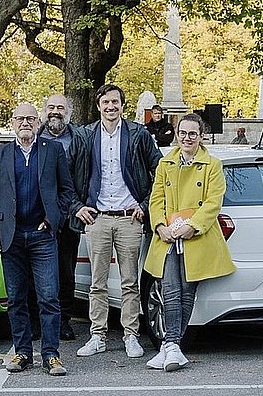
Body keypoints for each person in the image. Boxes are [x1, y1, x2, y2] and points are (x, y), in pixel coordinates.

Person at [0, 102, 77, 376]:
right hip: (10, 236)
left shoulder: (53, 150)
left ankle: (51, 355)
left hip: (42, 236)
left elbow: (66, 190)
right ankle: (23, 352)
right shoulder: (0, 155)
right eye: (20, 118)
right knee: (16, 298)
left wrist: (53, 219)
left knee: (49, 298)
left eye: (30, 119)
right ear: (12, 122)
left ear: (39, 122)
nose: (25, 123)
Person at [74, 84, 162, 360]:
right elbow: (72, 174)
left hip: (129, 218)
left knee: (129, 282)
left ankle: (131, 335)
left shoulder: (138, 133)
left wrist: (145, 205)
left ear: (123, 105)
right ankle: (97, 335)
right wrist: (79, 207)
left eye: (115, 102)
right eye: (106, 102)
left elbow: (160, 170)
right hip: (98, 218)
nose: (111, 107)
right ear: (98, 105)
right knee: (96, 282)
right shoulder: (86, 134)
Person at [144, 113, 235, 371]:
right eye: (183, 132)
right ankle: (172, 345)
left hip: (195, 236)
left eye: (192, 133)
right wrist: (159, 225)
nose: (187, 137)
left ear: (201, 136)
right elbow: (156, 198)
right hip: (168, 236)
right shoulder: (166, 163)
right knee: (170, 290)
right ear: (177, 134)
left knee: (186, 293)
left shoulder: (212, 165)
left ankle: (170, 346)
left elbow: (213, 202)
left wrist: (192, 226)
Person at [37, 93, 90, 341]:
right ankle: (38, 320)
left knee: (66, 271)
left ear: (68, 112)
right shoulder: (34, 138)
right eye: (51, 107)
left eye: (60, 107)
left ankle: (63, 321)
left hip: (70, 215)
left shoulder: (80, 138)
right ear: (44, 111)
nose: (55, 111)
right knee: (36, 269)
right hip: (39, 215)